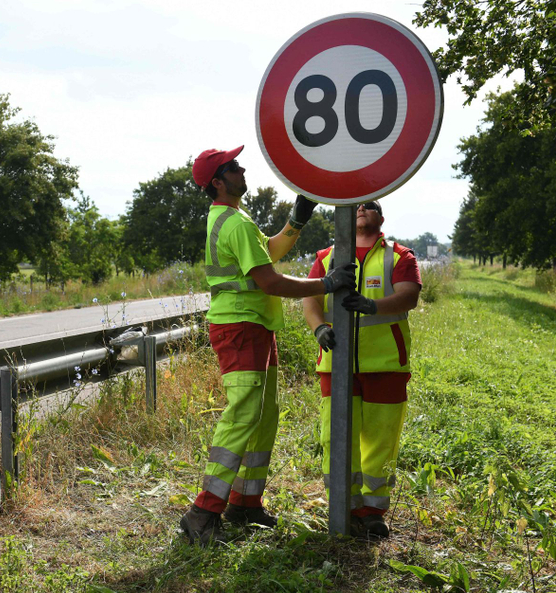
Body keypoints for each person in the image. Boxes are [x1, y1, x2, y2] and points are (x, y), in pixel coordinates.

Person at [179, 145, 356, 546]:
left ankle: (245, 503)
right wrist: (327, 283)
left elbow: (268, 253)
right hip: (239, 327)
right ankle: (202, 514)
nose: (242, 168)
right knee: (244, 415)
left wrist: (296, 220)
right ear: (218, 182)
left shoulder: (234, 218)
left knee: (264, 416)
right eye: (233, 166)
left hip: (255, 325)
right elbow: (270, 281)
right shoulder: (234, 223)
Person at [301, 200, 421, 538]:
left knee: (381, 442)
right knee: (336, 438)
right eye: (357, 207)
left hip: (385, 366)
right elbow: (310, 299)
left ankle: (372, 513)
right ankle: (344, 506)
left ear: (381, 218)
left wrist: (371, 305)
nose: (362, 209)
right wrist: (319, 329)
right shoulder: (326, 258)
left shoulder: (400, 256)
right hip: (335, 366)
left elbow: (409, 296)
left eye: (370, 206)